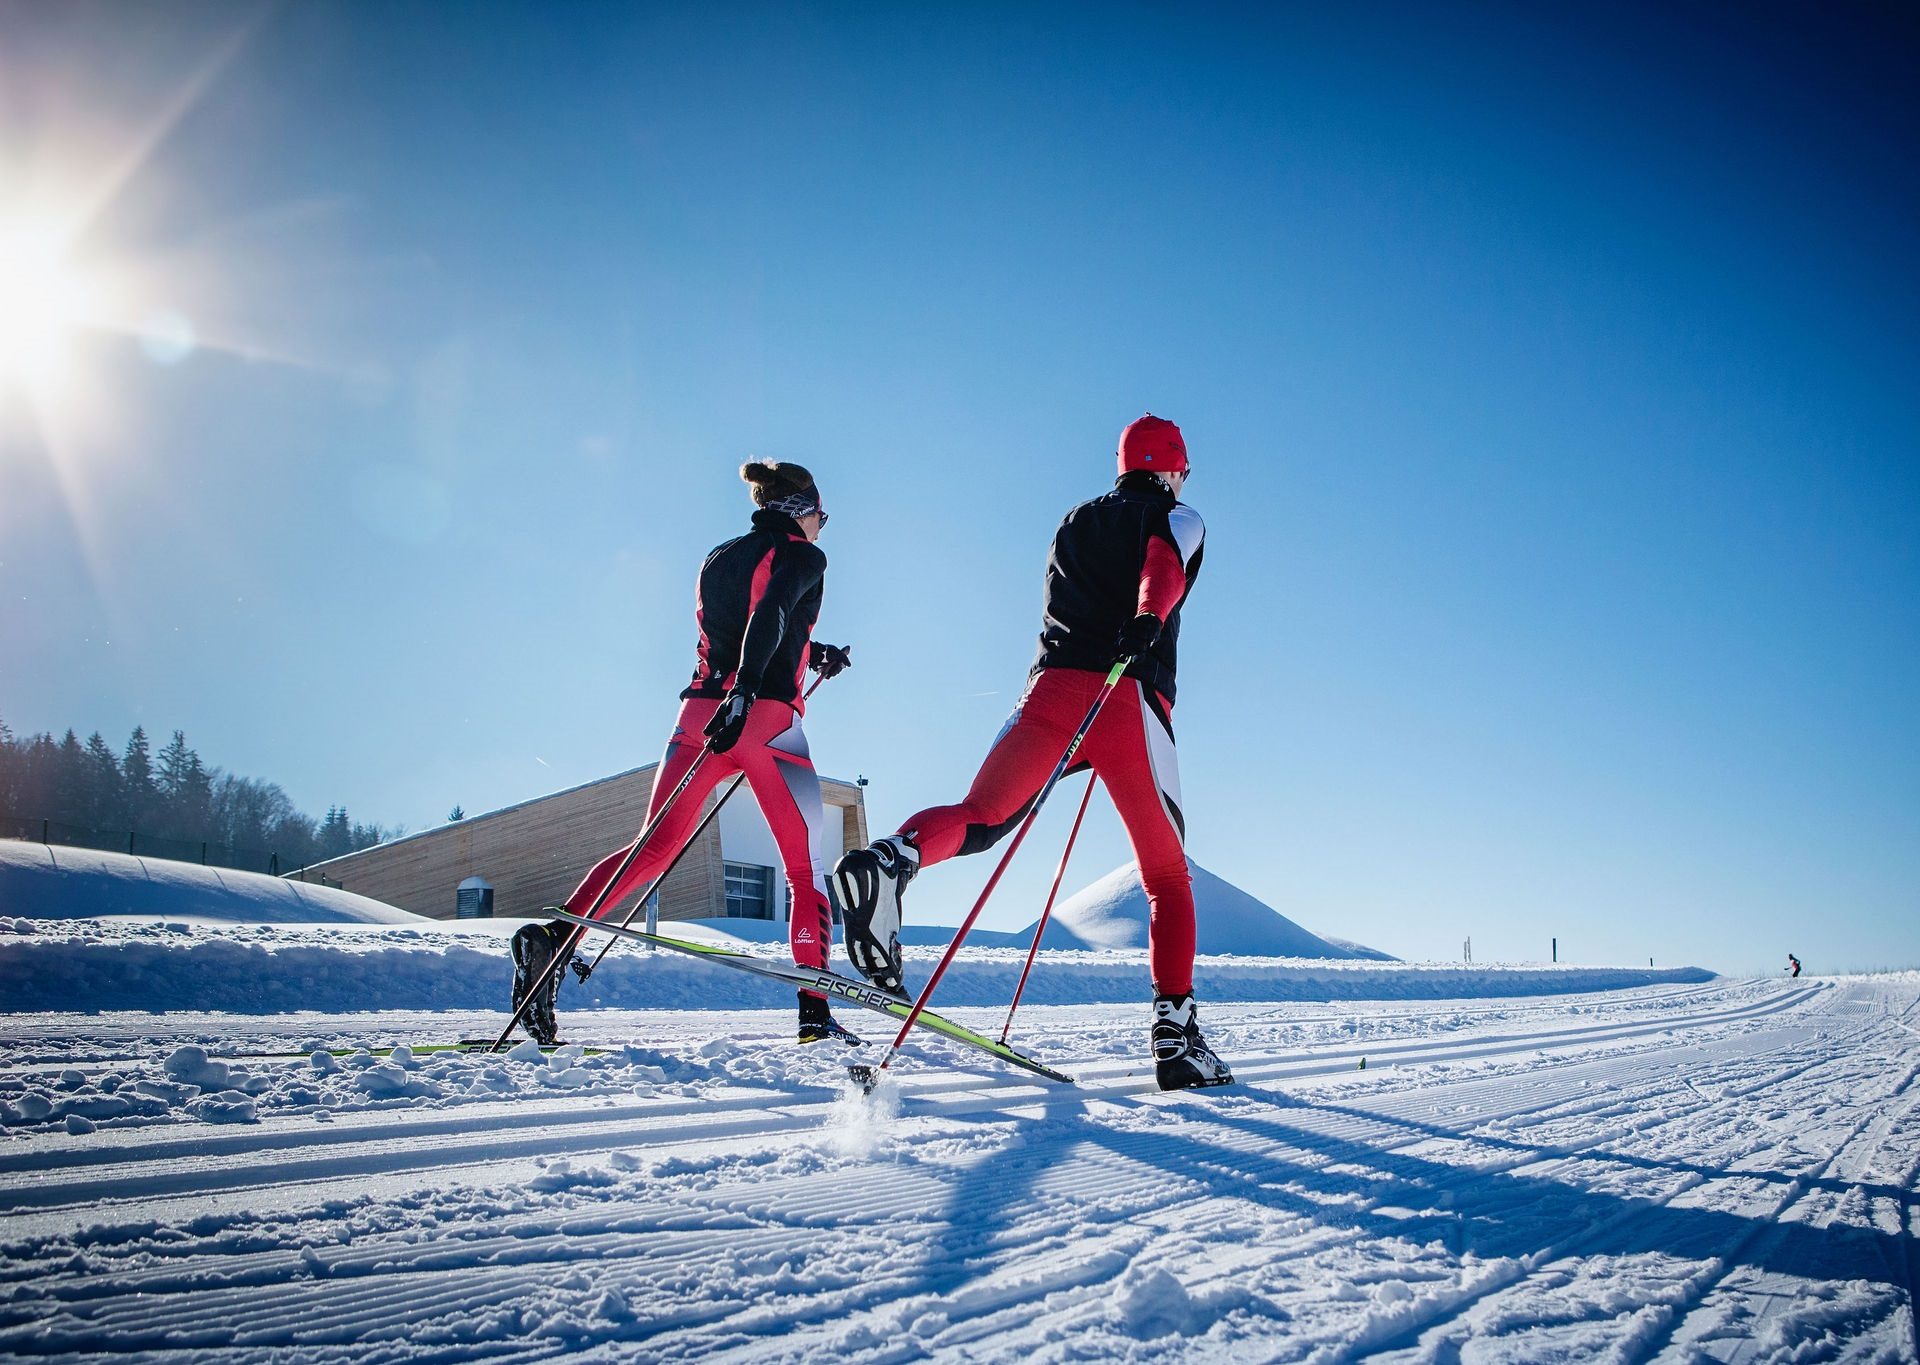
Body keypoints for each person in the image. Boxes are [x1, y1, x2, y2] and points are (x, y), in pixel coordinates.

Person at [833, 415, 1231, 1090]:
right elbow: (1162, 568)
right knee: (1166, 876)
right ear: (1168, 469)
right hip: (1126, 697)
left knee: (982, 816)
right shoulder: (1179, 514)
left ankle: (889, 861)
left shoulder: (1073, 520)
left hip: (1048, 693)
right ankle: (1177, 1038)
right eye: (1182, 470)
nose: (1183, 480)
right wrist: (1145, 618)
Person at [511, 460, 856, 1047]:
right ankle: (814, 1013)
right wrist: (749, 690)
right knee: (804, 868)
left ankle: (552, 941)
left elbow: (745, 624)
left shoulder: (718, 556)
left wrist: (811, 650)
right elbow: (770, 614)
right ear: (802, 511)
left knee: (652, 850)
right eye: (823, 514)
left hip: (697, 716)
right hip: (763, 720)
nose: (825, 526)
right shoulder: (805, 555)